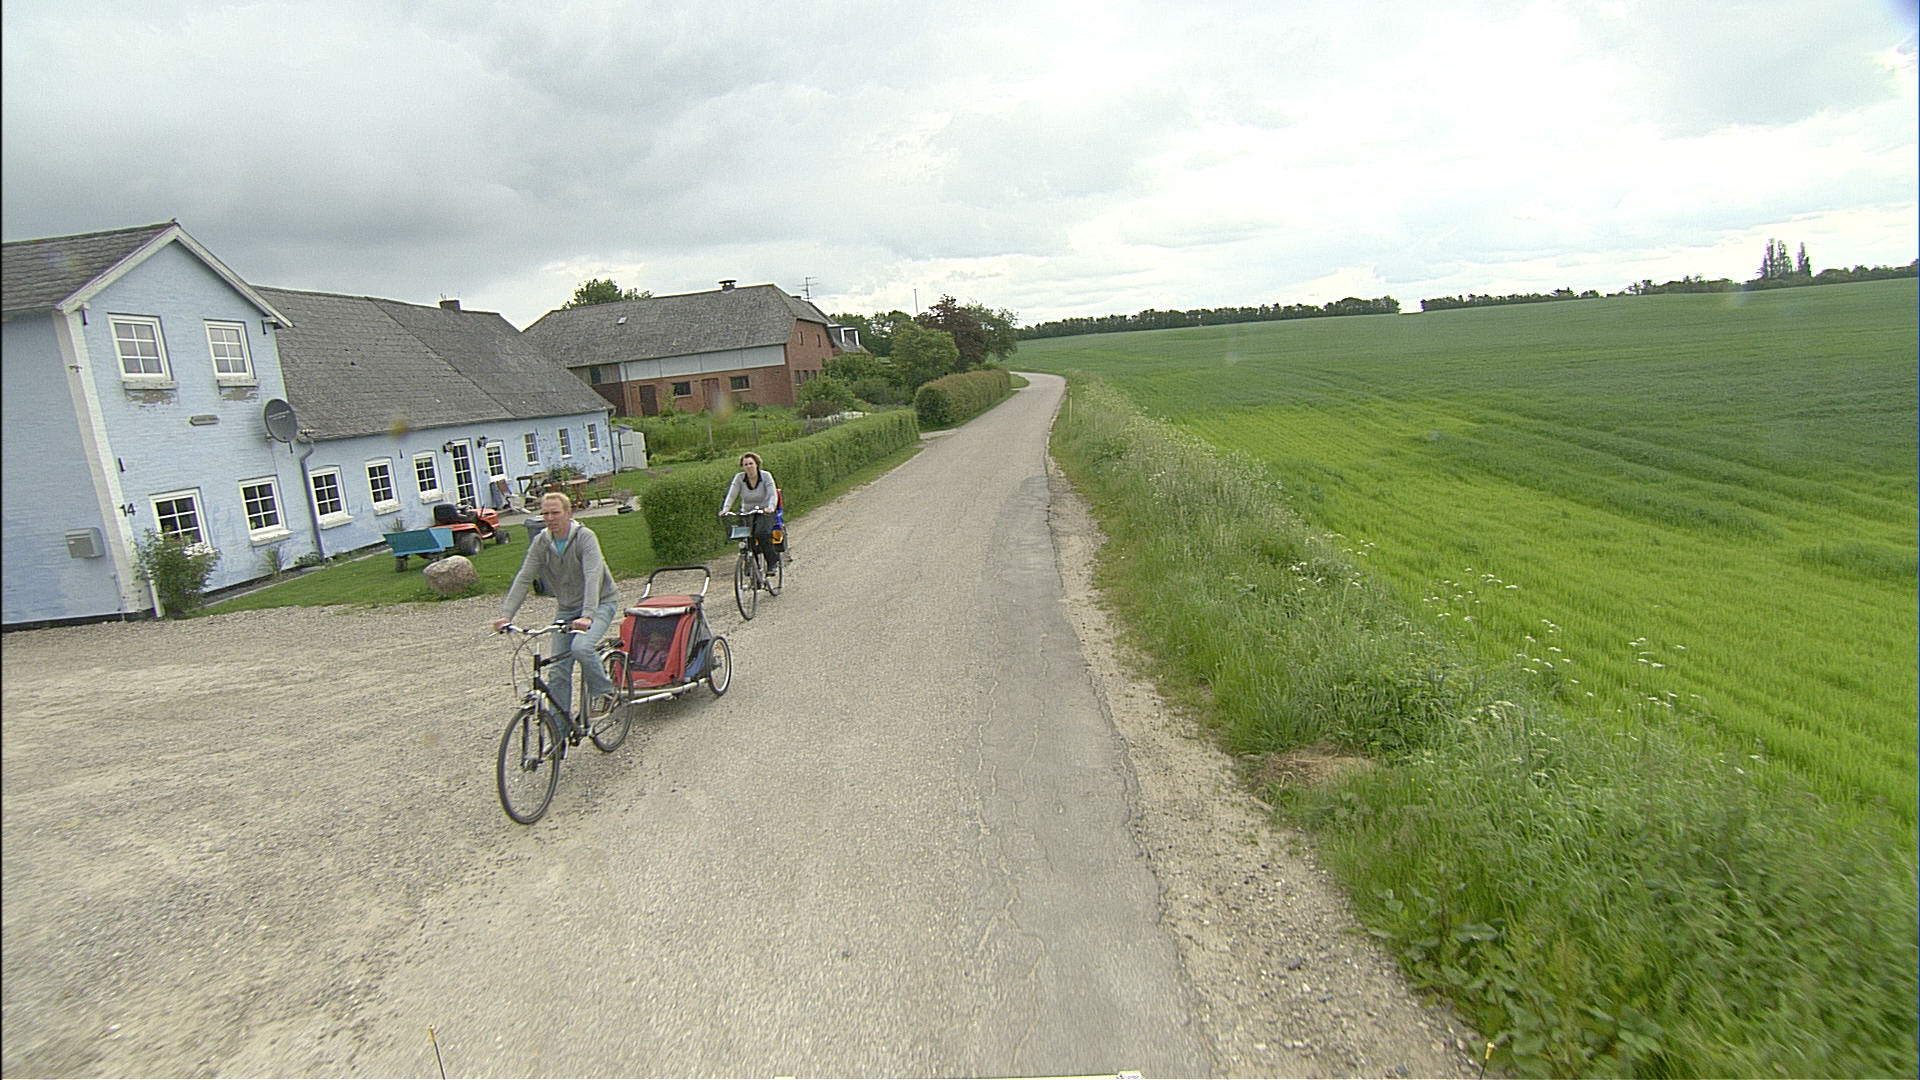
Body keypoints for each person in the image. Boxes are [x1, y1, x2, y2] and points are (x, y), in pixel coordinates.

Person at [492, 493, 619, 735]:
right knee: (558, 672)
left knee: (581, 648)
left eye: (555, 513)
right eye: (545, 514)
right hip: (567, 608)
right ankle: (559, 735)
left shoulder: (585, 537)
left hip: (600, 603)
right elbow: (524, 577)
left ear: (568, 513)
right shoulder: (541, 542)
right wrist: (506, 615)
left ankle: (604, 692)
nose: (550, 518)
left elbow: (593, 576)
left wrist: (588, 615)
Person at [719, 451, 780, 576]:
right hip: (747, 512)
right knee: (746, 538)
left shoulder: (766, 476)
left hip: (764, 511)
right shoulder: (739, 478)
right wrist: (725, 509)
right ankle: (752, 565)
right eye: (745, 464)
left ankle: (772, 562)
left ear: (757, 464)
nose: (748, 467)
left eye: (751, 463)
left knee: (761, 533)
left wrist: (770, 507)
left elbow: (772, 494)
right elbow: (731, 495)